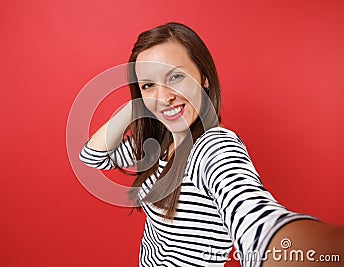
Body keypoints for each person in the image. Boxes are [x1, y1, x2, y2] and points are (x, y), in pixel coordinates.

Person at [79, 22, 343, 266]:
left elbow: (257, 221)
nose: (165, 97)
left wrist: (326, 248)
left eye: (175, 77)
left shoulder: (213, 147)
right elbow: (92, 156)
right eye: (149, 84)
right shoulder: (158, 142)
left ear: (204, 78)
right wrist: (139, 104)